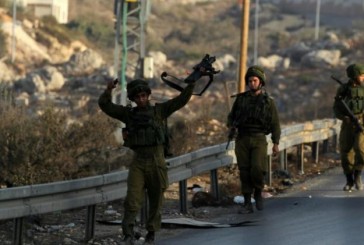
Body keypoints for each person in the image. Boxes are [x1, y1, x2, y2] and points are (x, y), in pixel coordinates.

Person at [98, 78, 195, 245]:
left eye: (143, 96)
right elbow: (105, 106)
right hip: (139, 162)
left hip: (157, 160)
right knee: (132, 200)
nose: (141, 99)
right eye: (137, 97)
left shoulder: (160, 111)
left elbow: (181, 100)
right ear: (133, 99)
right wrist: (108, 90)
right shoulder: (128, 114)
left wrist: (193, 82)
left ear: (148, 95)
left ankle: (151, 232)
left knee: (156, 200)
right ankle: (128, 234)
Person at [227, 65, 281, 214]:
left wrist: (275, 143)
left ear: (261, 82)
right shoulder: (241, 100)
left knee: (257, 168)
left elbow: (275, 123)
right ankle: (247, 202)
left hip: (259, 138)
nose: (252, 83)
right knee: (244, 171)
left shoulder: (268, 102)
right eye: (250, 81)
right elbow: (231, 117)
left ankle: (258, 191)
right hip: (242, 138)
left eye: (255, 80)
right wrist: (231, 126)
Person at [333, 63, 364, 191]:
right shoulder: (343, 90)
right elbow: (336, 107)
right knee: (346, 153)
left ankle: (357, 174)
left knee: (361, 150)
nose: (363, 77)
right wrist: (343, 117)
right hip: (347, 124)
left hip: (361, 122)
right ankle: (349, 180)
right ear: (355, 76)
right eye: (361, 75)